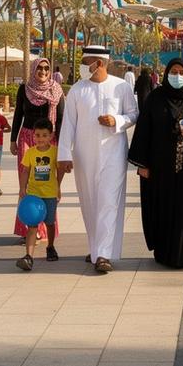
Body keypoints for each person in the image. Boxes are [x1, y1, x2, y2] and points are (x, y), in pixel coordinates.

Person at [128, 58, 183, 269]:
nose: (177, 76)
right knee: (164, 208)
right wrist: (142, 164)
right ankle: (165, 253)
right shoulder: (155, 98)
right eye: (173, 71)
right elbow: (143, 130)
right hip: (161, 168)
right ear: (167, 73)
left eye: (181, 72)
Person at [59, 45, 138, 273]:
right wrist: (64, 155)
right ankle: (96, 247)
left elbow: (134, 114)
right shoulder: (76, 90)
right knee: (90, 202)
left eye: (87, 62)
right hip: (84, 156)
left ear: (100, 63)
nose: (83, 67)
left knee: (108, 201)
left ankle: (103, 254)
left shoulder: (121, 87)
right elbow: (68, 125)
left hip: (114, 153)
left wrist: (116, 120)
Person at [10, 58, 65, 239]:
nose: (42, 71)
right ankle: (28, 228)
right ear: (33, 69)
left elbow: (61, 119)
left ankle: (44, 226)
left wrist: (62, 146)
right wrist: (13, 140)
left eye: (46, 68)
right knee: (25, 183)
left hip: (49, 141)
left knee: (44, 183)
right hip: (27, 137)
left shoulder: (56, 90)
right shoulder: (24, 89)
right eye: (39, 68)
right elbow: (18, 114)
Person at [16, 119, 63, 270]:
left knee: (50, 222)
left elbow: (60, 169)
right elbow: (25, 171)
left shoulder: (55, 151)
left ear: (51, 136)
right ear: (33, 136)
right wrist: (22, 188)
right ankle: (28, 256)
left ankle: (50, 246)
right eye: (37, 135)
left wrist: (58, 187)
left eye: (44, 135)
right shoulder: (30, 152)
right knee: (32, 224)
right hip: (34, 195)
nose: (40, 138)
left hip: (49, 194)